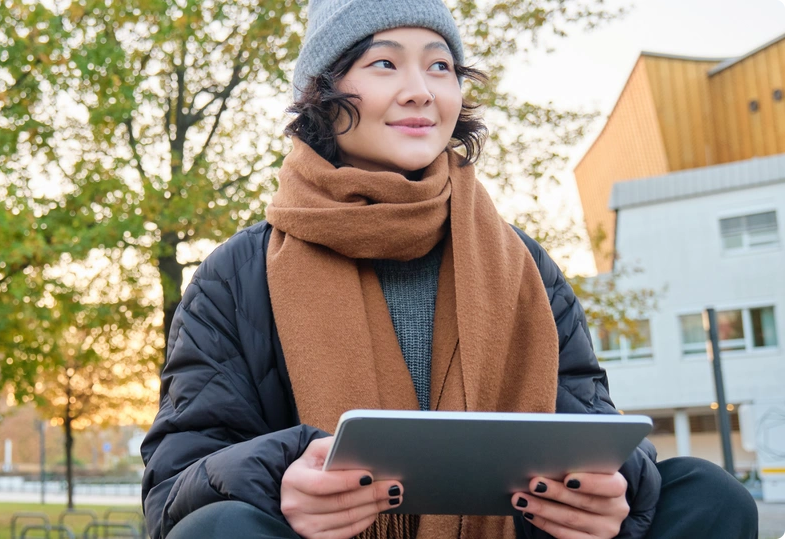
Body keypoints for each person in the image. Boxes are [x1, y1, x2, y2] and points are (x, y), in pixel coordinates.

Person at [139, 0, 761, 538]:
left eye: (441, 65)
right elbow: (174, 488)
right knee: (218, 527)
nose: (422, 90)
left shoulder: (523, 263)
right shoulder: (237, 274)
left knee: (708, 494)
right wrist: (284, 478)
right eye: (384, 63)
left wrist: (610, 496)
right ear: (323, 98)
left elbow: (591, 427)